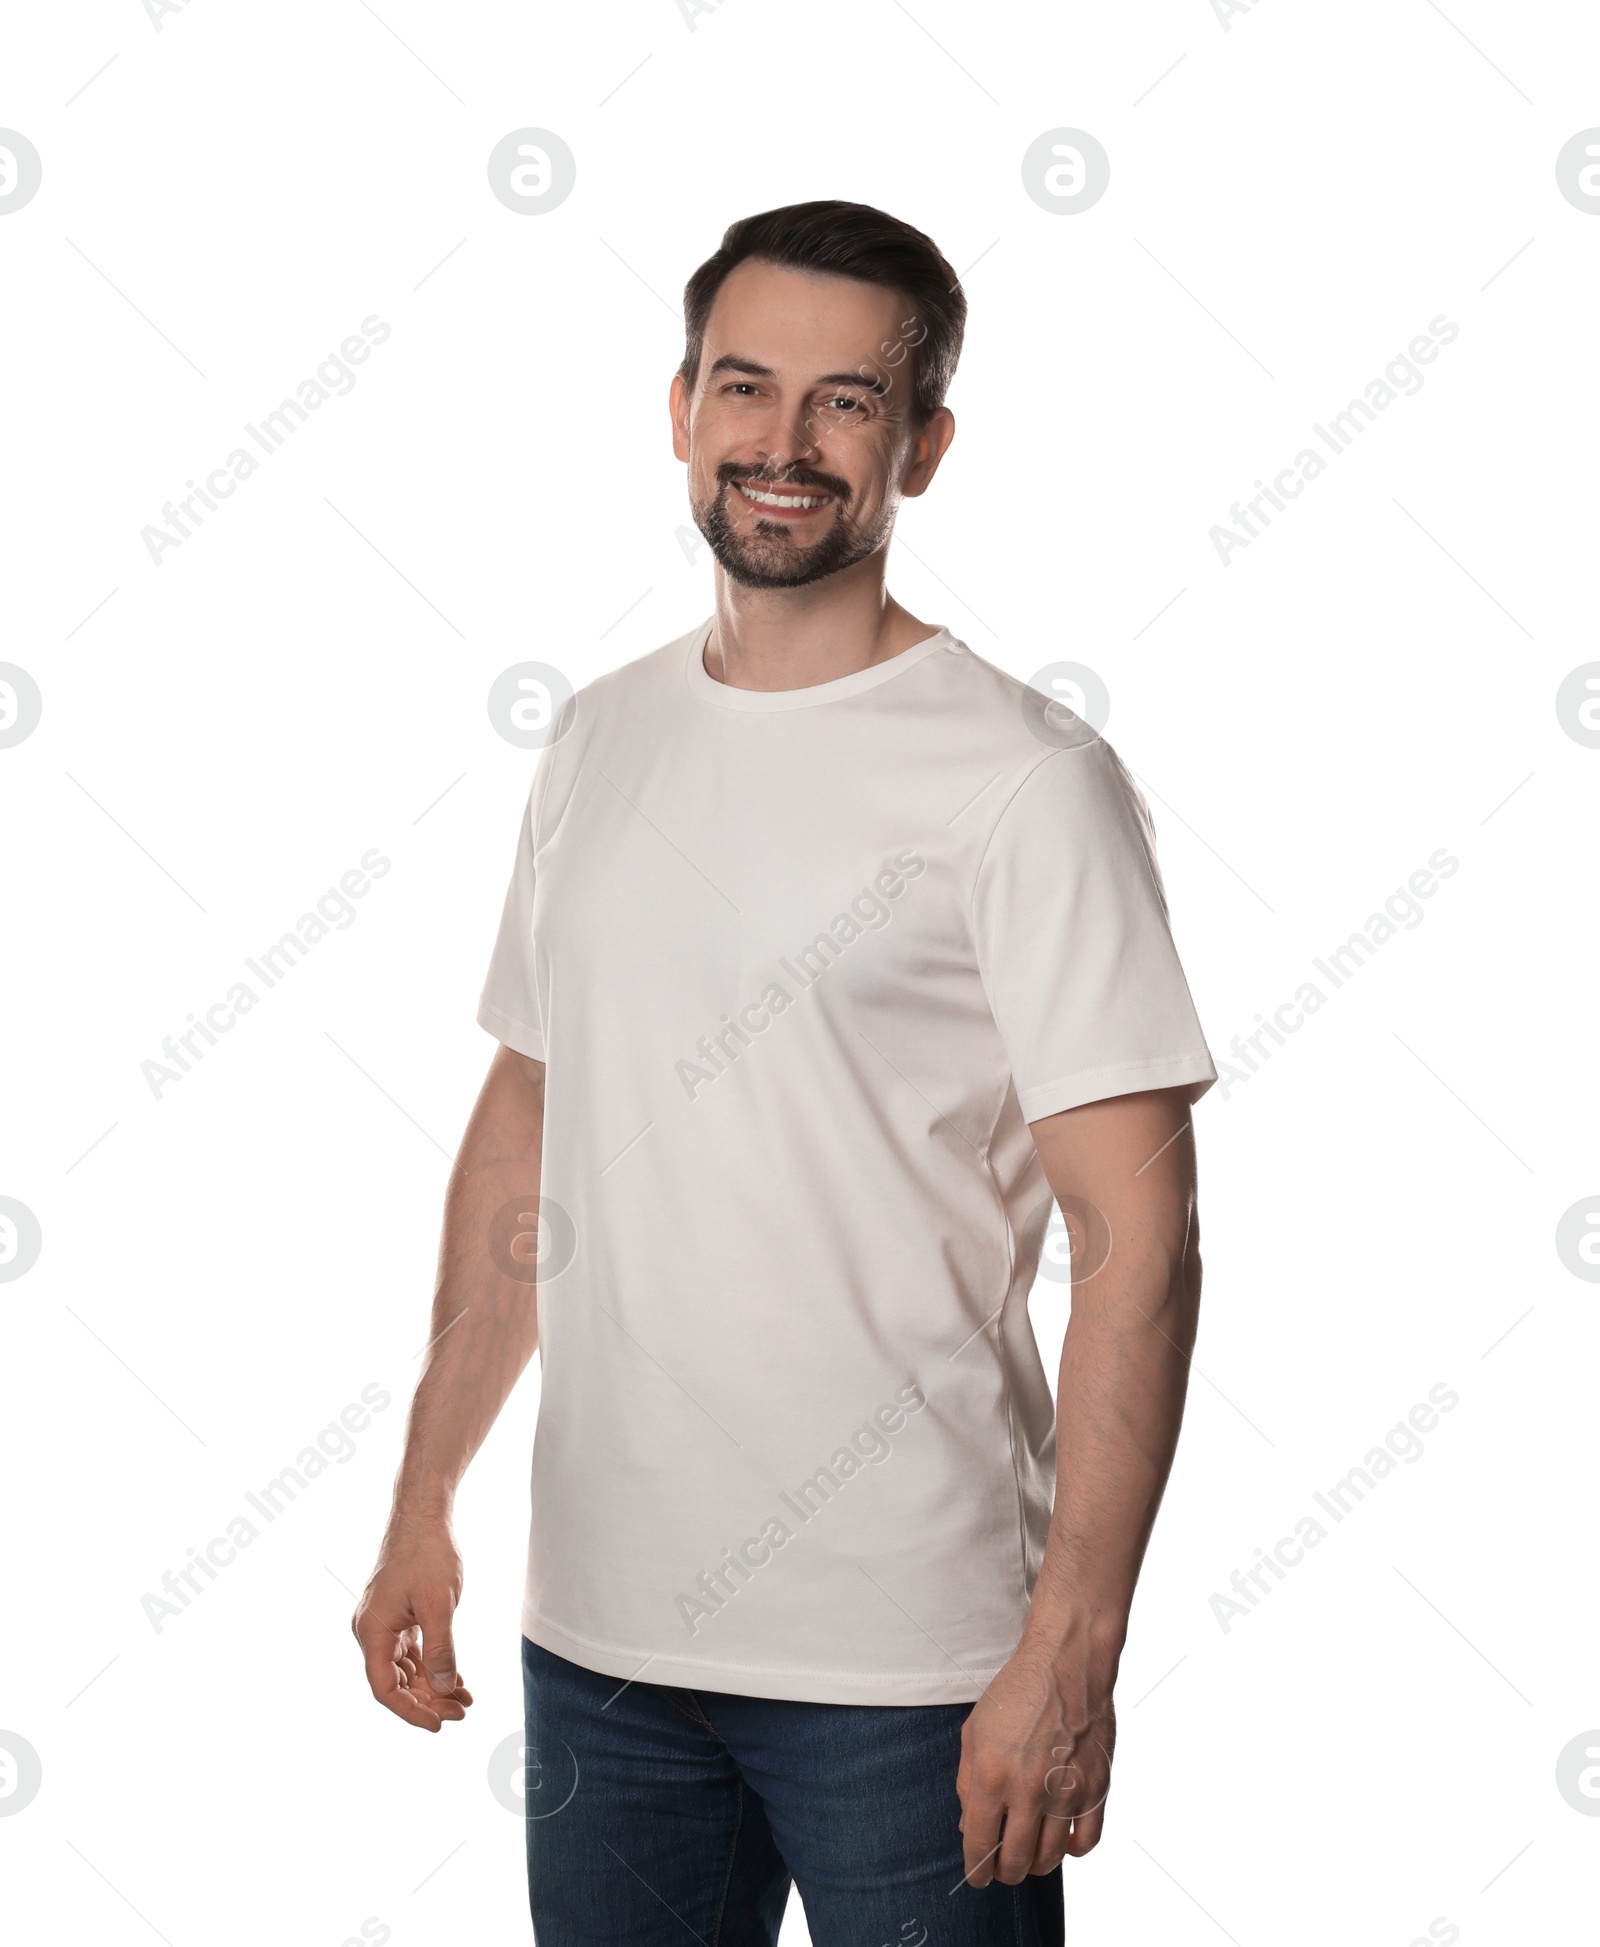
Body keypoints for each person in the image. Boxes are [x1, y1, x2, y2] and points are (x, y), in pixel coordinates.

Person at [354, 199, 1216, 1947]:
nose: (783, 442)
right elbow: (529, 1134)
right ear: (680, 407)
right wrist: (421, 1498)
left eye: (846, 401)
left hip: (908, 1661)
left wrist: (1071, 1648)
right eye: (746, 387)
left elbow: (1142, 1245)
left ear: (925, 445)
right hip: (600, 1642)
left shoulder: (1024, 781)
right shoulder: (598, 737)